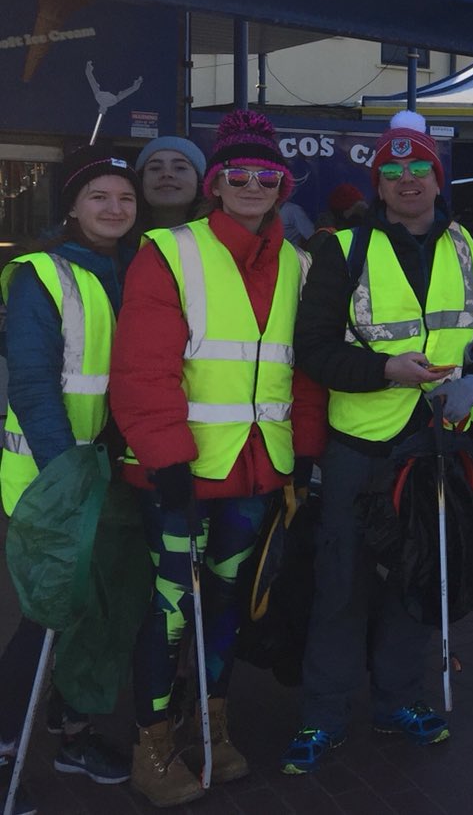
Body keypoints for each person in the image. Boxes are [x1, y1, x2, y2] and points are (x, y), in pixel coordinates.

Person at [110, 110, 327, 807]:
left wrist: (307, 452)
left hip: (256, 473)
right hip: (180, 472)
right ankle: (153, 745)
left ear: (282, 185)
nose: (254, 186)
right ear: (217, 184)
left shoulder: (298, 262)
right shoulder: (169, 250)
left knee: (228, 600)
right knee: (173, 603)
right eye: (239, 174)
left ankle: (213, 723)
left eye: (267, 176)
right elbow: (143, 364)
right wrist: (167, 455)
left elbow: (304, 372)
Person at [281, 110, 473, 774]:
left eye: (419, 170)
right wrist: (385, 369)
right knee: (341, 585)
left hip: (440, 443)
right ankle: (323, 717)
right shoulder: (341, 250)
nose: (407, 180)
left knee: (420, 578)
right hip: (362, 446)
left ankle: (398, 701)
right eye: (393, 171)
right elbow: (313, 351)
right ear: (377, 185)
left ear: (438, 180)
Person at [0, 146, 141, 811]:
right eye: (99, 197)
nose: (115, 208)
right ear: (72, 206)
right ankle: (6, 745)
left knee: (94, 614)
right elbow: (31, 381)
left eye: (125, 197)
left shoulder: (136, 268)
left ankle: (73, 732)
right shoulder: (40, 274)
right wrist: (69, 471)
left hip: (113, 475)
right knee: (45, 616)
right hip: (54, 476)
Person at [135, 136, 205, 229]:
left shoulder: (221, 235)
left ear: (199, 179)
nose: (167, 174)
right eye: (155, 168)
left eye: (180, 168)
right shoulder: (117, 236)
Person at [306, 183, 368, 255]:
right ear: (344, 210)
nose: (358, 216)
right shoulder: (324, 237)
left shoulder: (358, 231)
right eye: (355, 209)